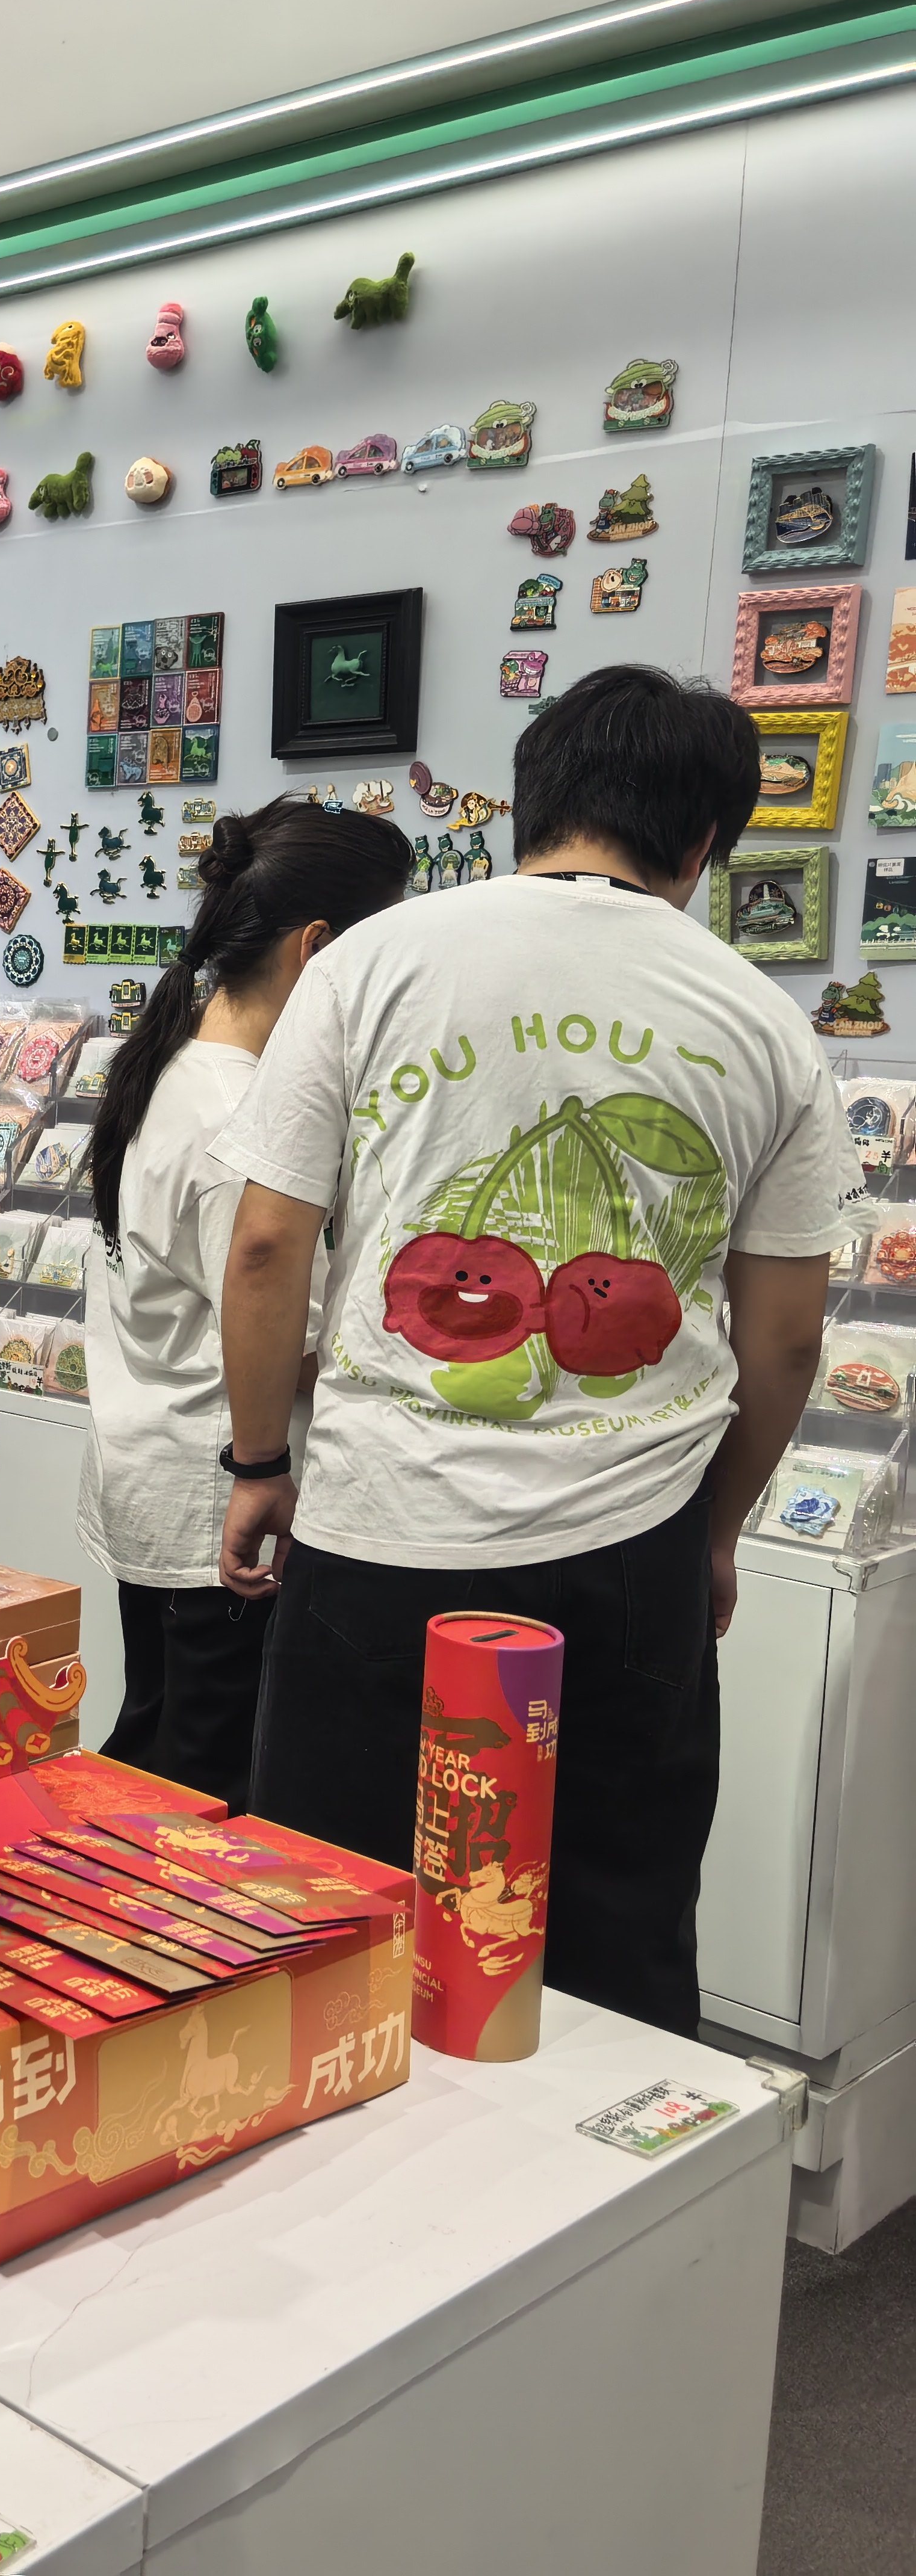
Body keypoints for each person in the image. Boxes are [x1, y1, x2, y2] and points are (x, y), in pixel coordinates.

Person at [213, 666, 855, 2034]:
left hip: (378, 1534)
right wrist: (716, 1532)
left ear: (530, 803)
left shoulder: (370, 965)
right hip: (628, 1554)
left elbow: (267, 1246)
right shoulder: (762, 1021)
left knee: (331, 1926)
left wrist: (259, 1462)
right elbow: (789, 1339)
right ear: (702, 842)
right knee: (611, 1941)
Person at [79, 799, 409, 1810]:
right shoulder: (243, 1117)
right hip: (218, 1500)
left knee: (161, 1751)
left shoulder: (175, 1065)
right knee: (208, 1794)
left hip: (160, 1477)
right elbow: (274, 1327)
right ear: (319, 950)